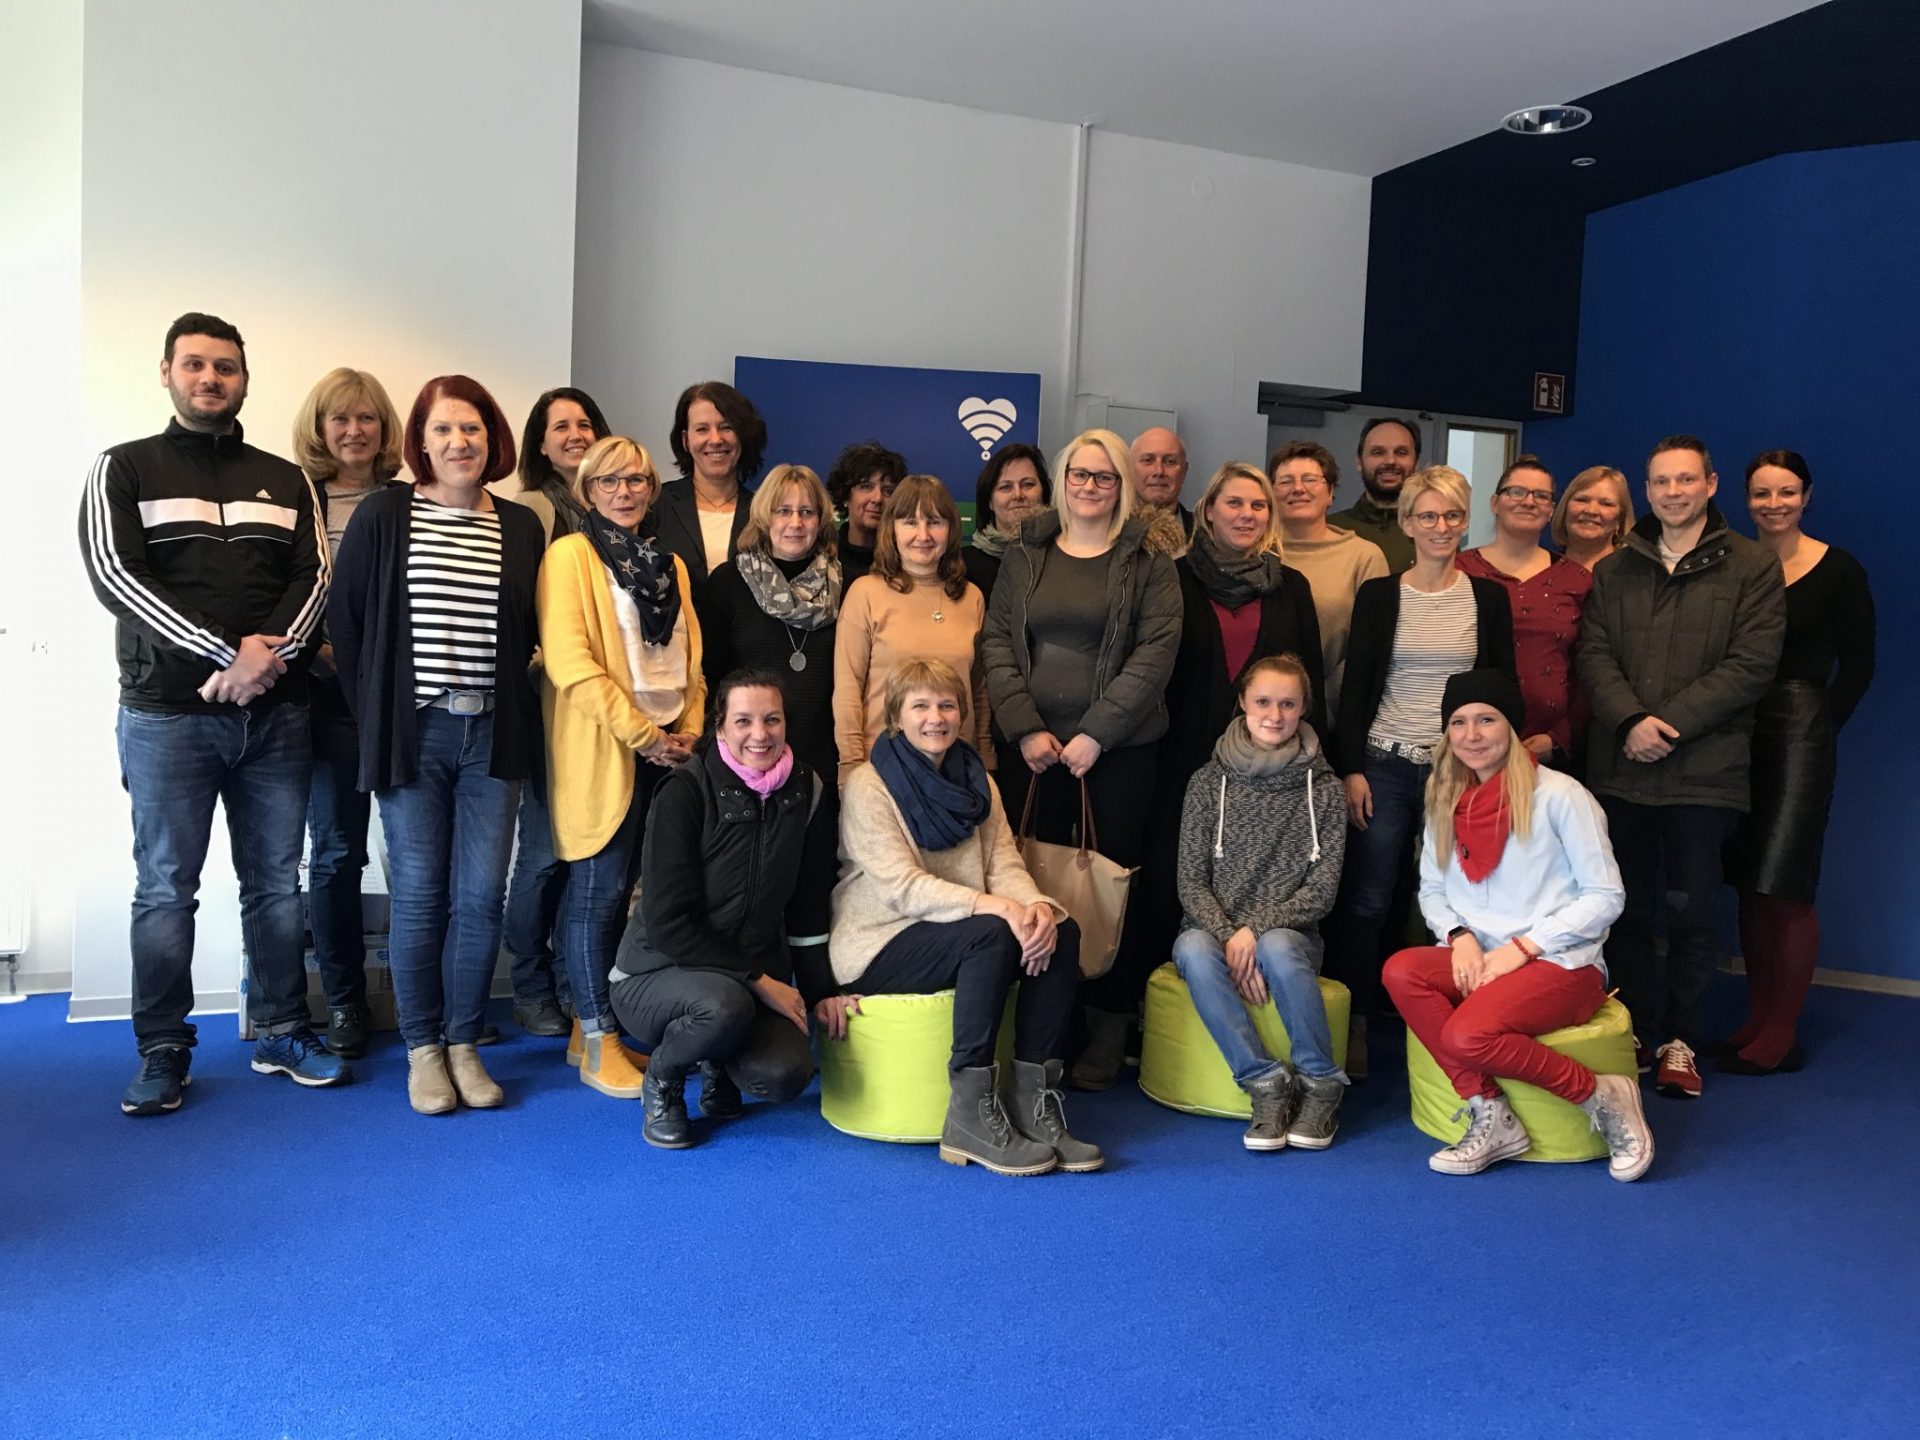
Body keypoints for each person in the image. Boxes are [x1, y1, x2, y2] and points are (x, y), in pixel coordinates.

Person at [81, 312, 345, 1115]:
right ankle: (164, 1049)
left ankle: (279, 1029)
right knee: (166, 889)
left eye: (225, 368)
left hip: (276, 717)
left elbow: (316, 579)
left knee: (274, 884)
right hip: (167, 716)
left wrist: (268, 659)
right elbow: (115, 577)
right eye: (194, 365)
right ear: (166, 372)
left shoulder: (285, 477)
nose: (210, 379)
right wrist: (228, 655)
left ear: (243, 380)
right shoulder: (121, 468)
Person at [330, 375, 544, 1115]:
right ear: (420, 440)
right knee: (420, 897)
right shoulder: (387, 514)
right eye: (445, 429)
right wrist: (379, 716)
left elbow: (530, 635)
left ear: (494, 441)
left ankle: (462, 1042)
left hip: (493, 733)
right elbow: (348, 624)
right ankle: (422, 1048)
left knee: (482, 898)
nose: (460, 443)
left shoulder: (521, 527)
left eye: (474, 430)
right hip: (412, 735)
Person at [827, 659, 1099, 1175]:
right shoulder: (869, 785)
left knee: (1062, 932)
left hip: (965, 928)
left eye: (947, 705)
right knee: (992, 935)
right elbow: (901, 888)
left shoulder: (981, 782)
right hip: (880, 941)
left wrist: (1036, 907)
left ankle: (1031, 1104)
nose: (937, 717)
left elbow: (1003, 864)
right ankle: (970, 1116)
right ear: (896, 716)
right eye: (921, 706)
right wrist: (996, 907)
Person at [1575, 435, 1786, 1099]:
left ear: (1711, 484)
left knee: (1694, 914)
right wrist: (1630, 722)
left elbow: (1751, 665)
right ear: (1649, 488)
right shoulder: (1614, 569)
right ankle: (1633, 1031)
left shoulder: (1752, 566)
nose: (1673, 492)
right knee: (1627, 911)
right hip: (1622, 769)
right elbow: (1594, 655)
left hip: (1706, 771)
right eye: (1661, 481)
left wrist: (1667, 726)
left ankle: (1681, 1041)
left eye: (1685, 480)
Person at [1381, 670, 1652, 1181]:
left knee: (1466, 1034)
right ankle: (1489, 1108)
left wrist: (1524, 947)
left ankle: (1602, 1094)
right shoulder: (1446, 802)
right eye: (1458, 722)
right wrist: (1458, 939)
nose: (1472, 734)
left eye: (1487, 719)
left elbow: (1607, 896)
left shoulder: (1561, 796)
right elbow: (1433, 892)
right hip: (1481, 955)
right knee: (1401, 970)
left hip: (1560, 963)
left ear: (1511, 727)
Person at [982, 427, 1182, 1091]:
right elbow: (997, 645)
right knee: (1033, 879)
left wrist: (1098, 732)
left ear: (1122, 486)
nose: (1089, 486)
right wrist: (1024, 728)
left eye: (1103, 477)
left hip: (1117, 755)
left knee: (1109, 888)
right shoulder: (1025, 552)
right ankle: (1047, 1027)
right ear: (1062, 480)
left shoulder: (1149, 560)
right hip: (1033, 755)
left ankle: (1107, 1023)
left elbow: (1156, 653)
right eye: (1079, 474)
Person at [1325, 465, 1514, 1076]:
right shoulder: (1381, 594)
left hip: (1459, 773)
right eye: (1427, 516)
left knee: (1460, 899)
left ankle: (1447, 1022)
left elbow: (1502, 689)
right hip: (1385, 764)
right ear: (1406, 523)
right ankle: (1355, 1023)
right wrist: (1351, 769)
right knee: (1371, 898)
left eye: (1452, 516)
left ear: (1466, 522)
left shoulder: (1487, 597)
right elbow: (1356, 690)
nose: (1440, 527)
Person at [538, 436, 704, 1099]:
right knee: (595, 896)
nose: (626, 491)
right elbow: (570, 661)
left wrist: (689, 726)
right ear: (587, 489)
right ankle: (600, 1039)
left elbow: (691, 656)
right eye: (609, 481)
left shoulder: (671, 565)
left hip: (669, 751)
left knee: (633, 895)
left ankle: (589, 1027)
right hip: (607, 749)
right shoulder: (570, 557)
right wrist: (644, 735)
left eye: (638, 479)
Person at [609, 670, 833, 1148]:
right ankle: (665, 1082)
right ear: (720, 729)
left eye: (772, 719)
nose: (760, 733)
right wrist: (760, 981)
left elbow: (809, 908)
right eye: (744, 720)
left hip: (745, 980)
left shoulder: (807, 790)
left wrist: (820, 995)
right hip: (655, 974)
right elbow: (669, 923)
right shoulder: (684, 793)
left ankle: (719, 1065)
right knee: (721, 1006)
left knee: (786, 1074)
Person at [1142, 463, 1325, 1012]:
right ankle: (1137, 1016)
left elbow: (1309, 678)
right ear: (1209, 509)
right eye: (1235, 503)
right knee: (1161, 883)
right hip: (1177, 760)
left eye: (1258, 506)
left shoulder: (1291, 586)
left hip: (1269, 773)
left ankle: (1255, 986)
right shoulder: (1170, 576)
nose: (1247, 515)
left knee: (1257, 882)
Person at [1721, 450, 1874, 1075]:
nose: (1773, 504)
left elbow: (1859, 666)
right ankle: (1757, 1019)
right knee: (1750, 883)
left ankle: (1781, 1033)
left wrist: (1819, 726)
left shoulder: (1839, 570)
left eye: (1786, 492)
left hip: (1802, 729)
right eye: (1761, 494)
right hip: (1736, 730)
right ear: (1745, 499)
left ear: (1806, 497)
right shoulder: (1734, 564)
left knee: (1786, 884)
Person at [1173, 656, 1349, 1151]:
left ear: (1304, 710)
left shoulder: (1326, 790)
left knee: (1274, 946)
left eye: (1288, 703)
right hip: (1213, 929)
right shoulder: (1208, 783)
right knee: (1190, 947)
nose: (1275, 714)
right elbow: (1190, 882)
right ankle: (1264, 1082)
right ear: (1243, 704)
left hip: (1289, 936)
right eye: (1264, 702)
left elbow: (1321, 891)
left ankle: (1320, 1083)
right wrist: (1231, 937)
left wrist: (1255, 932)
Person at [290, 366, 406, 1059]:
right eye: (341, 418)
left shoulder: (405, 503)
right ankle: (344, 1002)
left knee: (417, 859)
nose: (354, 430)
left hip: (395, 699)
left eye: (367, 418)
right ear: (320, 427)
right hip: (323, 697)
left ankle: (428, 1000)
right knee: (334, 854)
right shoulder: (295, 500)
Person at [496, 387, 616, 1037]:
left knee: (590, 854)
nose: (574, 433)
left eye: (583, 422)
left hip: (603, 712)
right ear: (539, 444)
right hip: (549, 706)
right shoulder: (532, 510)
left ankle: (576, 983)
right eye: (559, 426)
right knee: (542, 854)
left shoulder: (622, 511)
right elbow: (514, 610)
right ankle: (530, 983)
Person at [700, 464, 845, 989]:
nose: (795, 522)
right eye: (783, 510)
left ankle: (813, 997)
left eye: (807, 511)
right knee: (748, 885)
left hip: (820, 761)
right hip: (749, 762)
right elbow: (709, 678)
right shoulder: (729, 583)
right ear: (763, 517)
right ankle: (740, 993)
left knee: (814, 883)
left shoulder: (845, 582)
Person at [833, 475, 991, 783]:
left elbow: (980, 690)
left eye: (934, 522)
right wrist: (850, 765)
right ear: (891, 529)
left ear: (951, 530)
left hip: (956, 769)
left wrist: (984, 757)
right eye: (909, 522)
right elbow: (848, 687)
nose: (923, 534)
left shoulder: (971, 597)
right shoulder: (866, 593)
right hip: (882, 769)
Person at [1457, 456, 1593, 768]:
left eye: (1541, 496)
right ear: (1494, 503)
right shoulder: (1460, 571)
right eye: (1516, 492)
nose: (1528, 502)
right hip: (1470, 745)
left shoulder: (1578, 580)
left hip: (1551, 748)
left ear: (1551, 510)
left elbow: (1590, 669)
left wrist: (1560, 737)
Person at [650, 380, 766, 592]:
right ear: (686, 440)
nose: (715, 439)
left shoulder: (763, 512)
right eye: (702, 429)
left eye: (726, 427)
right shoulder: (656, 504)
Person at [1330, 417, 1421, 573]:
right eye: (1378, 452)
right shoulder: (1331, 530)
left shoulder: (1433, 533)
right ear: (1359, 461)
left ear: (1416, 463)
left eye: (1401, 452)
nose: (1390, 461)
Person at [963, 442, 1051, 600]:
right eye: (1005, 487)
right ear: (989, 501)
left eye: (1028, 484)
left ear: (1044, 493)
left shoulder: (1062, 556)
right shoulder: (962, 566)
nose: (1018, 495)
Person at [825, 440, 907, 586]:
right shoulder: (823, 557)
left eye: (888, 491)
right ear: (845, 495)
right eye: (866, 486)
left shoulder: (908, 560)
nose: (877, 498)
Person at [1551, 466, 1633, 572]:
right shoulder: (1538, 570)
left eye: (1606, 504)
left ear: (1619, 519)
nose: (1591, 511)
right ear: (1565, 509)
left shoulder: (1635, 576)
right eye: (1582, 500)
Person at [1130, 425, 1193, 530]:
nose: (1159, 471)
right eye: (1148, 460)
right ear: (1129, 468)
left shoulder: (1207, 536)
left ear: (1184, 472)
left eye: (1170, 461)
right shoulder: (1107, 533)